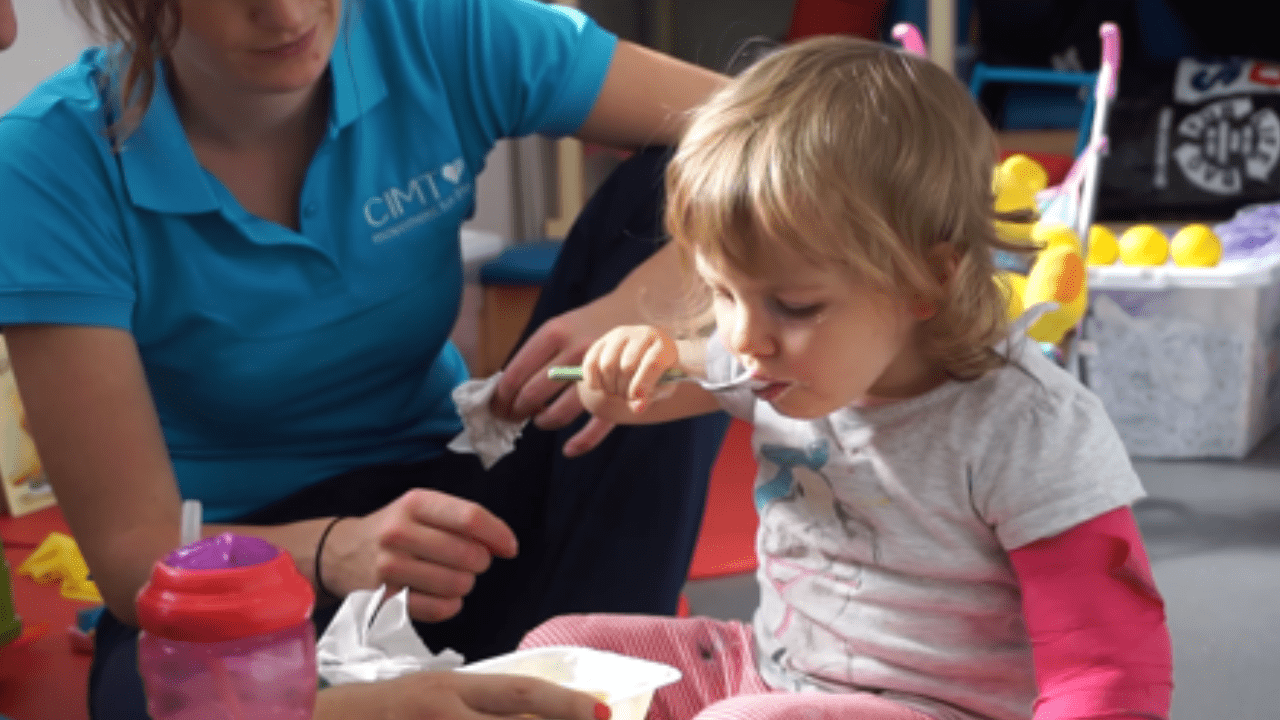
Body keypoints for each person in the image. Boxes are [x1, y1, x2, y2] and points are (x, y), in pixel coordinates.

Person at [0, 0, 728, 717]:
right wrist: (332, 553)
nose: (286, 16)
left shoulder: (430, 27)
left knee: (689, 195)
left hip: (453, 503)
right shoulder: (48, 162)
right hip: (246, 564)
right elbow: (136, 556)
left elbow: (795, 132)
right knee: (159, 696)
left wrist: (641, 310)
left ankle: (597, 680)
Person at [525, 35, 1174, 720]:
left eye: (796, 305)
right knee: (559, 656)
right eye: (722, 292)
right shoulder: (777, 357)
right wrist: (617, 370)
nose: (743, 338)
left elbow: (1109, 667)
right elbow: (634, 398)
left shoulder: (1026, 427)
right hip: (775, 675)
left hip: (937, 708)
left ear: (927, 280)